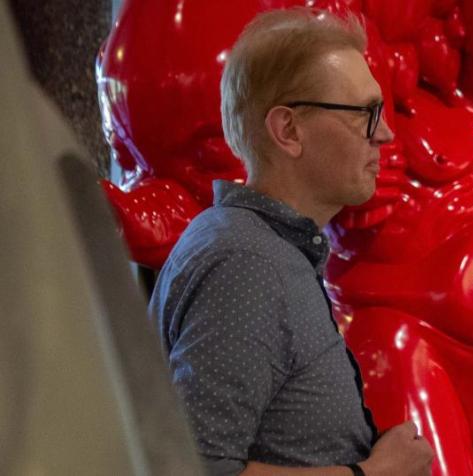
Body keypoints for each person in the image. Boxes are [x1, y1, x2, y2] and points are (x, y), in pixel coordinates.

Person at [148, 8, 432, 476]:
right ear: (288, 131)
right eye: (365, 113)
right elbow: (188, 467)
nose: (385, 133)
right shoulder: (245, 262)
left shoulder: (259, 247)